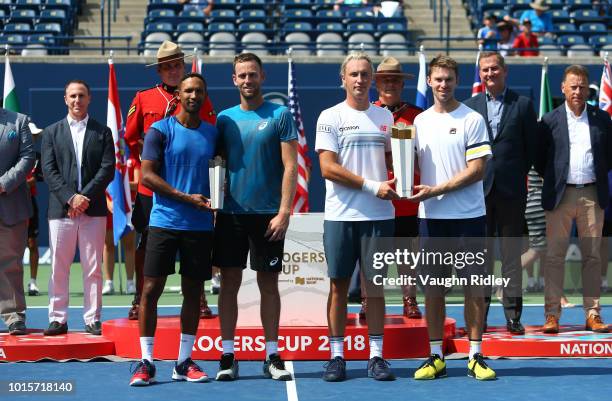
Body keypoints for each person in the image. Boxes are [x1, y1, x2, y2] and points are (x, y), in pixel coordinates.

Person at [409, 55, 496, 381]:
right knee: (433, 289)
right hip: (431, 219)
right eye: (437, 79)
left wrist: (435, 190)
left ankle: (475, 354)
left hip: (469, 218)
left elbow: (477, 172)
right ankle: (436, 355)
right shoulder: (419, 122)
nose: (443, 85)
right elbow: (405, 164)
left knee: (474, 288)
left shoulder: (472, 119)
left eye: (448, 79)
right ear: (429, 81)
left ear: (455, 81)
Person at [213, 53, 298, 381]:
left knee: (268, 284)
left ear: (262, 76)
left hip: (268, 217)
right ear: (234, 80)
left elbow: (291, 166)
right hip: (231, 214)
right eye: (241, 76)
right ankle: (228, 354)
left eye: (252, 74)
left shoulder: (280, 114)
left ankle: (271, 354)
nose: (247, 80)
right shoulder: (224, 119)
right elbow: (216, 165)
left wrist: (284, 212)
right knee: (229, 284)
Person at [129, 73, 217, 387]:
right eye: (189, 90)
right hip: (164, 223)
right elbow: (147, 177)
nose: (194, 96)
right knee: (149, 292)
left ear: (205, 97)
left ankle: (183, 361)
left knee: (194, 292)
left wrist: (215, 202)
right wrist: (184, 198)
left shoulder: (212, 134)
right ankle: (146, 361)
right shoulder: (158, 131)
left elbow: (219, 174)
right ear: (178, 94)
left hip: (200, 227)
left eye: (200, 92)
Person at [316, 52, 398, 382]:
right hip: (340, 215)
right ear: (344, 79)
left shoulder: (386, 118)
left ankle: (376, 356)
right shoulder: (330, 116)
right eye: (354, 74)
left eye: (365, 74)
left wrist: (399, 179)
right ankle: (337, 356)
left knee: (374, 288)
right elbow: (327, 168)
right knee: (338, 287)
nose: (360, 80)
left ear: (372, 79)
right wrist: (372, 186)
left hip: (379, 216)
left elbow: (396, 163)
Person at [124, 40, 216, 321]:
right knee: (146, 243)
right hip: (152, 186)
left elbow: (209, 135)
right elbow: (130, 136)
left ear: (183, 66)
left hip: (189, 184)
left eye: (177, 65)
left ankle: (198, 297)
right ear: (160, 71)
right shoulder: (144, 98)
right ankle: (140, 297)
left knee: (195, 244)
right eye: (167, 67)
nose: (173, 71)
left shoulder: (197, 96)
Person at [464, 51, 538, 334]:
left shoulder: (523, 105)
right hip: (478, 193)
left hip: (511, 192)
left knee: (510, 258)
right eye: (484, 70)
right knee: (480, 260)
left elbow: (531, 149)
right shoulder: (469, 108)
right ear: (479, 74)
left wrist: (512, 174)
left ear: (505, 71)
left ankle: (513, 316)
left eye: (494, 69)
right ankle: (479, 318)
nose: (489, 74)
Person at [535, 65, 612, 334]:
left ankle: (593, 314)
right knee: (555, 257)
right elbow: (539, 159)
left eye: (581, 86)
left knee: (592, 257)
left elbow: (609, 156)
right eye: (573, 86)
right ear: (563, 88)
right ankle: (552, 315)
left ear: (588, 88)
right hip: (560, 194)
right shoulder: (548, 120)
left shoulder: (602, 119)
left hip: (592, 194)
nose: (577, 91)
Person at [41, 79, 114, 336]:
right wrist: (71, 198)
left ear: (89, 98)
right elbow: (48, 171)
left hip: (92, 211)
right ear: (65, 99)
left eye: (81, 95)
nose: (76, 100)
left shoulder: (103, 132)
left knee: (93, 267)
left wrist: (84, 198)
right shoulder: (51, 132)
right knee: (58, 267)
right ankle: (58, 319)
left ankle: (93, 318)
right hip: (61, 211)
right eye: (72, 96)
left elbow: (107, 169)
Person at [373, 56, 423, 319]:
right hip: (376, 198)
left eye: (394, 80)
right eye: (384, 80)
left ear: (402, 85)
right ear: (376, 84)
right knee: (375, 254)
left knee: (406, 254)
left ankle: (409, 299)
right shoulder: (368, 112)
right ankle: (370, 300)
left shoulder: (417, 116)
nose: (389, 85)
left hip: (407, 198)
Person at [0, 108, 34, 335]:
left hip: (10, 201)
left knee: (10, 262)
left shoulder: (19, 121)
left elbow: (27, 158)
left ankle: (14, 315)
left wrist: (3, 183)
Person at [101, 154, 138, 296]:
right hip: (111, 207)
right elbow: (102, 182)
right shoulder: (107, 158)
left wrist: (122, 184)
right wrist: (110, 201)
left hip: (128, 208)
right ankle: (109, 283)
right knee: (108, 244)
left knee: (129, 245)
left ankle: (130, 282)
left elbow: (138, 183)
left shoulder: (133, 160)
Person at [25, 143, 43, 296]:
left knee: (32, 243)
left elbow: (35, 178)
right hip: (10, 204)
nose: (33, 138)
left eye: (35, 136)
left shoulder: (37, 157)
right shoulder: (11, 153)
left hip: (29, 203)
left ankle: (33, 282)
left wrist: (14, 183)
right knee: (10, 245)